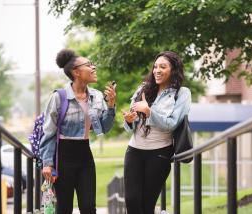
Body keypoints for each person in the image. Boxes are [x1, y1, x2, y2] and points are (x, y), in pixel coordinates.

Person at [39, 49, 116, 214]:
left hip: (85, 156)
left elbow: (104, 128)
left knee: (88, 207)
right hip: (63, 158)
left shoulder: (96, 96)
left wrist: (110, 106)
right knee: (64, 208)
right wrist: (47, 163)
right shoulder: (59, 97)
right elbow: (49, 132)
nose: (94, 67)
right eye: (89, 65)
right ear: (76, 72)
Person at [122, 51, 191, 214]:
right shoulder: (142, 89)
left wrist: (149, 112)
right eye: (155, 67)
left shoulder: (182, 93)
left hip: (159, 154)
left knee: (147, 204)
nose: (157, 70)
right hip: (134, 151)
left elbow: (172, 124)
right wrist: (129, 120)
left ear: (173, 70)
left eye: (163, 67)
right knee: (131, 201)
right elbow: (129, 127)